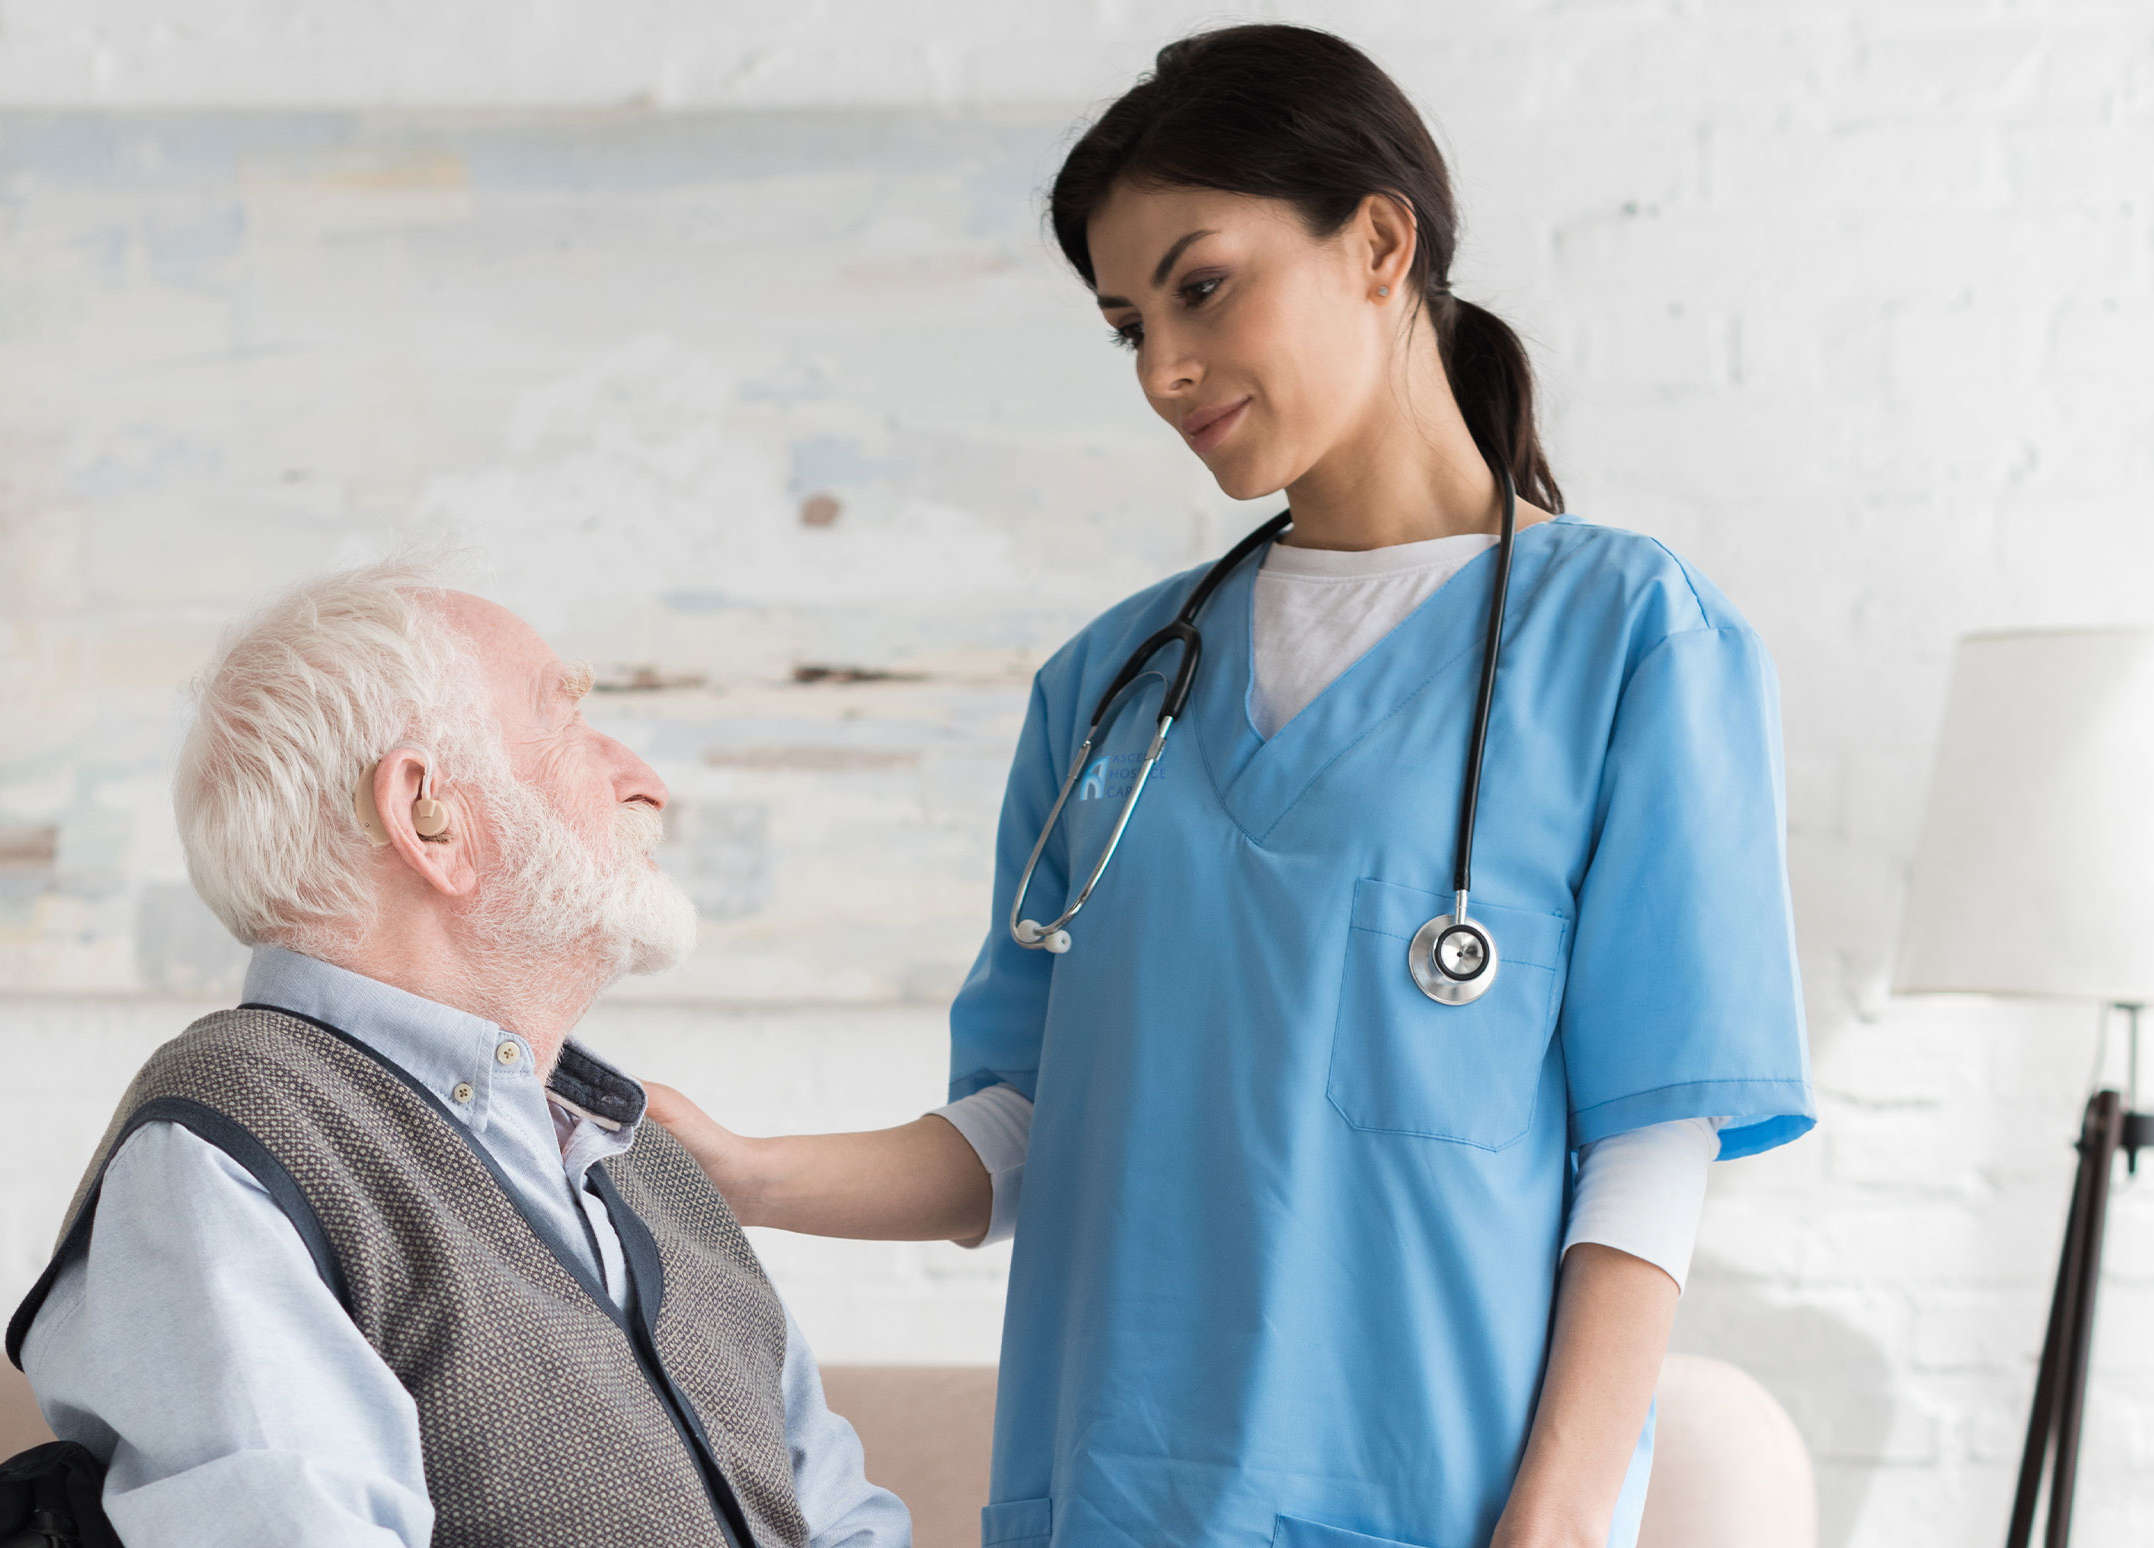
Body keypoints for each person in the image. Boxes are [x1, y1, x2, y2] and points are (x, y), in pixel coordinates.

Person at [647, 25, 1814, 1548]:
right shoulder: (1112, 684)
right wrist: (740, 1169)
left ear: (1380, 241)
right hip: (1117, 1486)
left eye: (1200, 288)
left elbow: (1653, 1147)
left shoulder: (1633, 641)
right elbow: (1022, 1128)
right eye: (1125, 324)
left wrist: (1562, 1519)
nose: (1162, 370)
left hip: (1441, 1501)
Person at [8, 562, 909, 1548]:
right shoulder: (228, 1150)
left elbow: (842, 1522)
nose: (644, 783)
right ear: (427, 812)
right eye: (567, 727)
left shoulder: (645, 1164)